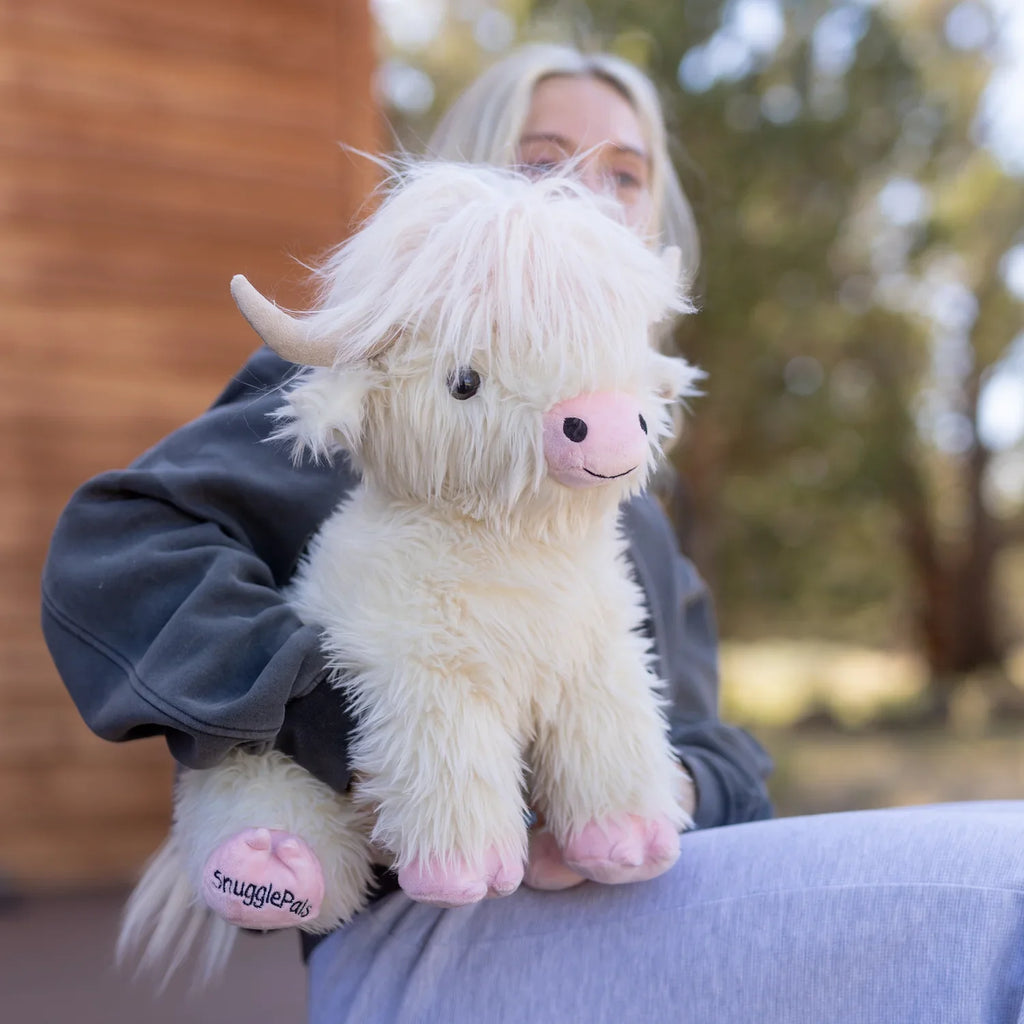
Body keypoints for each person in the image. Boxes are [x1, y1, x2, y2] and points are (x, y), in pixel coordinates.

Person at [41, 43, 1024, 1024]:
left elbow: (719, 748)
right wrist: (364, 735)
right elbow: (125, 549)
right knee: (1003, 887)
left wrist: (637, 794)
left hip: (625, 913)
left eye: (624, 175)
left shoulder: (612, 485)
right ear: (466, 184)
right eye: (543, 158)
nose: (587, 196)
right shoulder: (391, 386)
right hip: (430, 934)